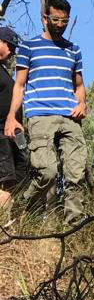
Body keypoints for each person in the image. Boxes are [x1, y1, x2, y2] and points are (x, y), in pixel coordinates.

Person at [4, 0, 87, 222]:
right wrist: (12, 117)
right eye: (56, 20)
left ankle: (73, 226)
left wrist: (82, 103)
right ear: (45, 18)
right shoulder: (28, 47)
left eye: (64, 21)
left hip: (70, 117)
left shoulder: (74, 50)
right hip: (40, 116)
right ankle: (23, 208)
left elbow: (79, 86)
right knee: (47, 172)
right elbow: (19, 86)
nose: (60, 25)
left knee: (76, 174)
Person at [0, 26, 25, 220]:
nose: (12, 51)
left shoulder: (4, 71)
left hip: (11, 137)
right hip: (0, 135)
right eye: (9, 45)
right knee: (5, 180)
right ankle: (3, 224)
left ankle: (11, 222)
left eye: (14, 48)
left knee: (17, 178)